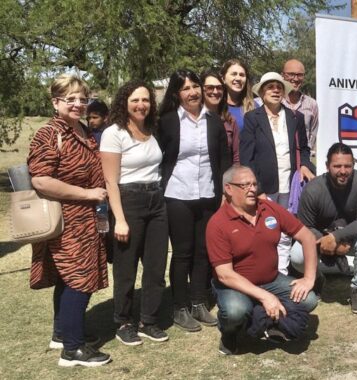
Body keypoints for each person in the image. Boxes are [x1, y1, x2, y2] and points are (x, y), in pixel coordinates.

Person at [28, 74, 110, 366]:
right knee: (80, 280)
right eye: (70, 99)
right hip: (67, 220)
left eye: (82, 99)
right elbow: (41, 180)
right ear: (55, 102)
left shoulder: (82, 130)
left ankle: (62, 334)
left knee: (67, 278)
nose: (78, 104)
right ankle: (73, 350)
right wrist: (87, 193)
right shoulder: (49, 133)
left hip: (86, 219)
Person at [206, 164, 318, 355]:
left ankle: (265, 318)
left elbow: (307, 237)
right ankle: (230, 333)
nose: (252, 189)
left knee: (308, 299)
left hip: (271, 279)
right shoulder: (217, 224)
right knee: (235, 311)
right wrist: (265, 296)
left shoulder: (269, 209)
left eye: (254, 184)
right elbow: (225, 275)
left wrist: (309, 278)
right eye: (245, 185)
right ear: (229, 189)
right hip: (235, 285)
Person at [157, 69, 231, 332]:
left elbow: (223, 159)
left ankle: (199, 302)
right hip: (177, 194)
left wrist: (224, 192)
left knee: (203, 252)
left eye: (195, 86)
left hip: (208, 195)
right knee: (182, 253)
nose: (192, 92)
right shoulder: (167, 121)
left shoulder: (214, 121)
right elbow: (160, 157)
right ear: (177, 95)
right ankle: (179, 308)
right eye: (185, 88)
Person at [100, 80, 169, 345]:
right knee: (126, 269)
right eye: (135, 100)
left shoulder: (152, 129)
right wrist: (119, 219)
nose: (141, 105)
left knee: (155, 266)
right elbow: (110, 181)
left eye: (146, 100)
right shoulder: (114, 133)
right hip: (128, 201)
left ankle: (148, 321)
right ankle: (123, 322)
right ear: (124, 103)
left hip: (156, 201)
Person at [240, 72, 315, 274]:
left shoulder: (295, 117)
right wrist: (257, 189)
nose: (275, 90)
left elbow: (304, 148)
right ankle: (264, 271)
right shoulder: (251, 119)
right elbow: (247, 158)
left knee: (285, 231)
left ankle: (281, 272)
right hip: (264, 186)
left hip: (289, 186)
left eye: (279, 87)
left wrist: (306, 165)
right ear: (262, 92)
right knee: (265, 230)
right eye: (270, 87)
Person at [289, 143, 357, 314]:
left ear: (354, 165)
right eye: (337, 166)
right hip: (320, 239)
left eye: (347, 166)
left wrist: (336, 238)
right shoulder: (313, 189)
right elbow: (305, 226)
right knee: (297, 256)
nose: (343, 171)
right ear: (327, 166)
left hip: (351, 237)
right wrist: (328, 242)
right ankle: (315, 278)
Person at [282, 59, 319, 157]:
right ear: (282, 76)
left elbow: (313, 133)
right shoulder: (274, 102)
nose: (295, 79)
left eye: (300, 75)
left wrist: (307, 154)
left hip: (303, 160)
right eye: (291, 74)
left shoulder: (312, 104)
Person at [202, 69, 240, 163]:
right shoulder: (195, 119)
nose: (215, 92)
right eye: (210, 87)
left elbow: (236, 156)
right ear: (202, 89)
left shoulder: (230, 120)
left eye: (219, 87)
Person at [221, 59, 256, 133]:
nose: (238, 78)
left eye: (242, 75)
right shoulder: (216, 106)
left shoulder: (254, 107)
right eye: (234, 74)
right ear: (223, 78)